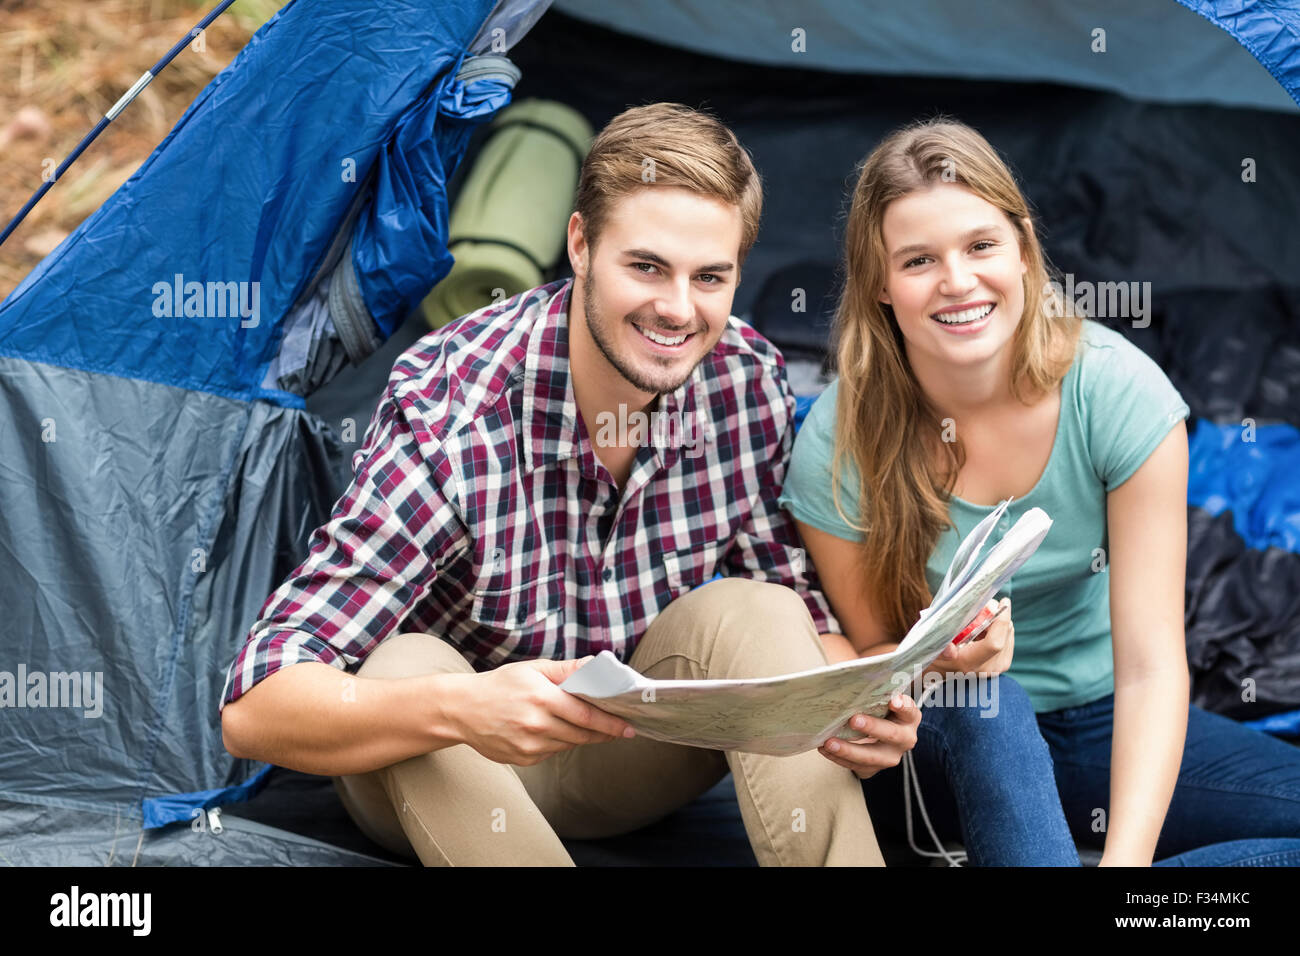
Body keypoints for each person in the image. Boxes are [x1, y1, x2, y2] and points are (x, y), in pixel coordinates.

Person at [218, 101, 920, 867]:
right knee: (407, 665)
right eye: (646, 266)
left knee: (759, 607)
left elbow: (793, 627)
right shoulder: (453, 410)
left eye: (709, 276)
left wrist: (852, 704)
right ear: (580, 245)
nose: (678, 309)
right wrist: (463, 707)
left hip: (627, 755)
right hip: (449, 769)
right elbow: (255, 709)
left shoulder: (744, 384)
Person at [779, 117, 1300, 866]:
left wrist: (1128, 863)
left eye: (980, 245)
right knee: (993, 699)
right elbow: (874, 657)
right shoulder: (836, 442)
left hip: (1099, 717)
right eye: (919, 260)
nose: (957, 281)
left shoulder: (1118, 392)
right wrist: (942, 668)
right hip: (940, 731)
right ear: (882, 288)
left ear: (1023, 249)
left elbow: (1153, 667)